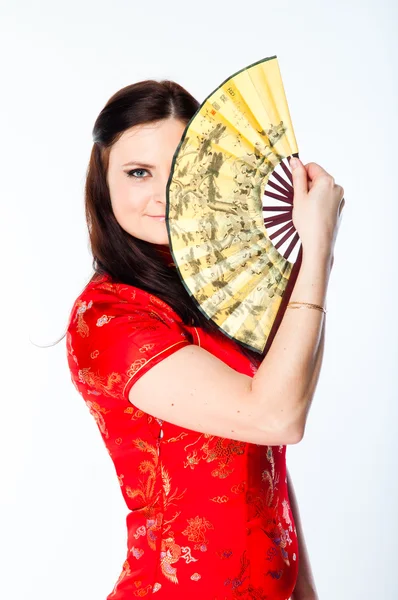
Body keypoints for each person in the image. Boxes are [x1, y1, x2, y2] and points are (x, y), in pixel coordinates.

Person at [65, 78, 345, 600]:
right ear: (103, 184)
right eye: (139, 173)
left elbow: (266, 461)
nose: (163, 196)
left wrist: (304, 590)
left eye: (183, 172)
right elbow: (277, 416)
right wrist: (319, 253)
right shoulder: (108, 318)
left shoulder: (220, 294)